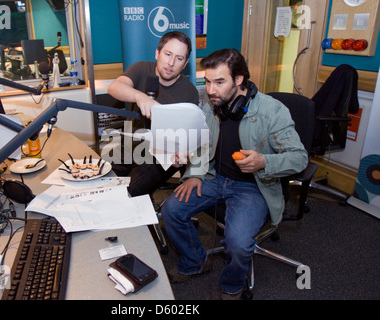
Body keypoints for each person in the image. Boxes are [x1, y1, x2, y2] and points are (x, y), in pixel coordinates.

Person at [161, 49, 308, 300]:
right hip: (215, 177)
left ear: (239, 80)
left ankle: (232, 286)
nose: (210, 90)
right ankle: (196, 261)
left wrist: (264, 162)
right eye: (207, 81)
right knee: (171, 210)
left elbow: (299, 158)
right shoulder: (212, 105)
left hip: (254, 187)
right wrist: (195, 172)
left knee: (238, 243)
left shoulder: (273, 111)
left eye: (219, 82)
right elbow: (202, 144)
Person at [106, 31, 199, 197]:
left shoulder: (189, 93)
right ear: (157, 53)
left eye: (179, 58)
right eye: (168, 54)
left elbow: (187, 137)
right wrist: (139, 96)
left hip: (161, 156)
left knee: (128, 193)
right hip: (129, 145)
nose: (171, 63)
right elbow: (114, 88)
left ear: (185, 64)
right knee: (102, 181)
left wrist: (182, 155)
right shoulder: (141, 69)